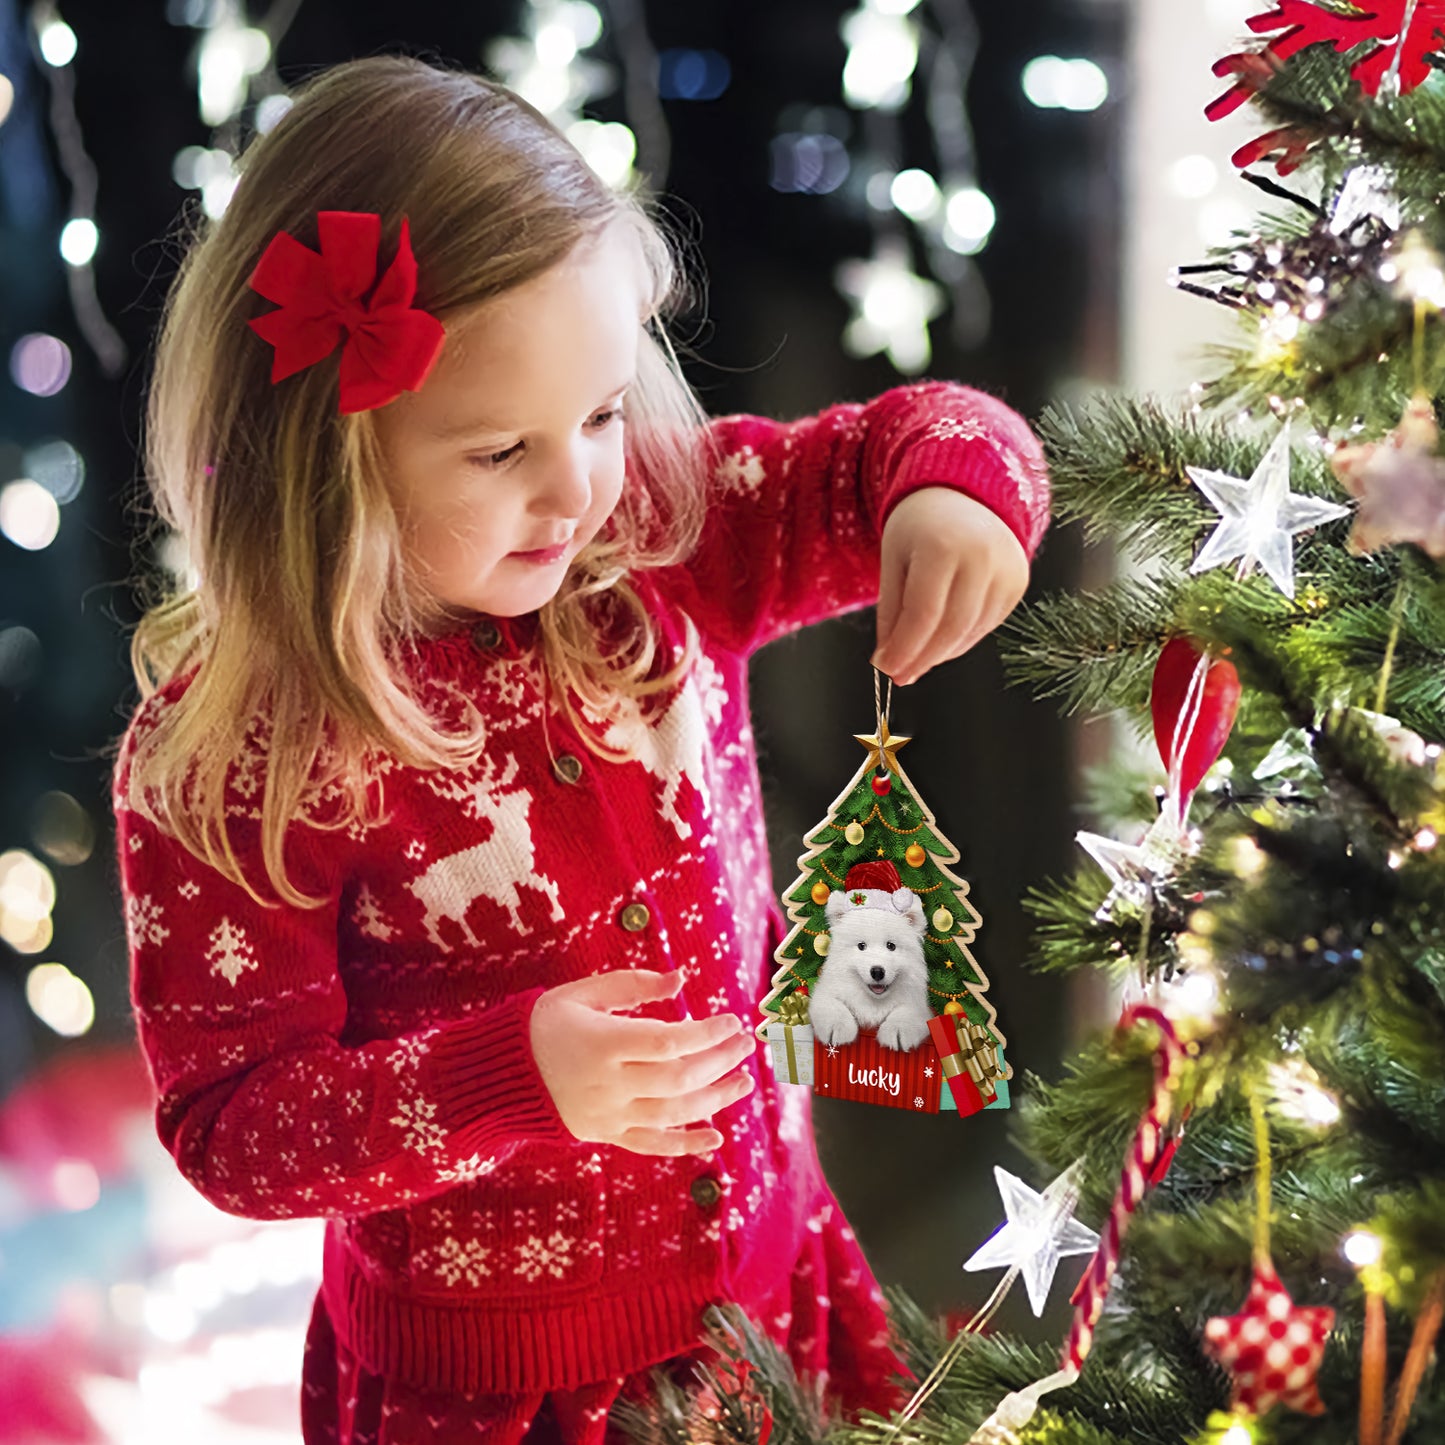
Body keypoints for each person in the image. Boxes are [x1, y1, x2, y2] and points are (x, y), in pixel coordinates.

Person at [112, 54, 1051, 1445]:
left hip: (765, 1285)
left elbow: (905, 443)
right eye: (499, 452)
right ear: (320, 455)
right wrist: (510, 1076)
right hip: (501, 1390)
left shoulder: (661, 542)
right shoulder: (236, 752)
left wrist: (957, 496)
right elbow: (233, 1128)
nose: (577, 488)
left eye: (604, 412)